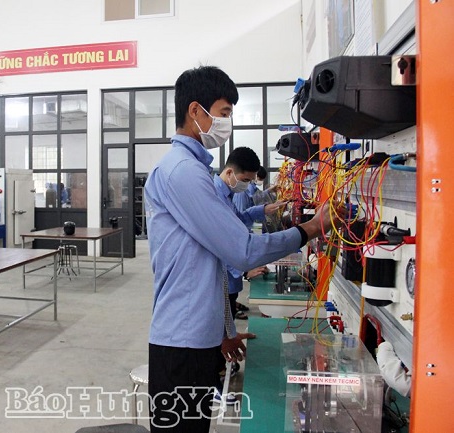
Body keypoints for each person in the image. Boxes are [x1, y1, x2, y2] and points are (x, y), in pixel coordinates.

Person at [144, 65, 343, 432]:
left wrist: (221, 331)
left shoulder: (191, 170)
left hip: (193, 337)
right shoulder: (182, 172)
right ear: (195, 111)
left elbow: (207, 267)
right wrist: (311, 228)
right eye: (223, 113)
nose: (227, 124)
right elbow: (241, 251)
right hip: (181, 344)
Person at [213, 148, 287, 320]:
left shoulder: (227, 194)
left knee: (229, 317)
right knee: (222, 322)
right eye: (245, 180)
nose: (246, 185)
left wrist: (263, 209)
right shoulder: (215, 197)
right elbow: (218, 242)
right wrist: (244, 270)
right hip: (222, 277)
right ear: (230, 173)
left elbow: (238, 220)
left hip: (230, 277)